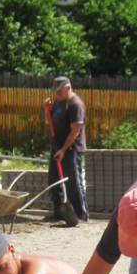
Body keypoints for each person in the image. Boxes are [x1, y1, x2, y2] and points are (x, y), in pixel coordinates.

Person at [44, 75, 89, 222]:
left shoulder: (75, 104)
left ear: (68, 88)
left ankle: (80, 215)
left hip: (71, 149)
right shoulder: (58, 102)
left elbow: (75, 131)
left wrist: (63, 149)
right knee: (53, 179)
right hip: (57, 146)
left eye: (59, 90)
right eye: (55, 90)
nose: (56, 93)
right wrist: (47, 109)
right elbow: (50, 119)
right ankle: (58, 212)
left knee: (73, 183)